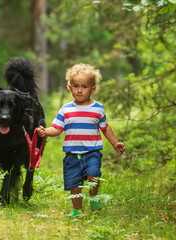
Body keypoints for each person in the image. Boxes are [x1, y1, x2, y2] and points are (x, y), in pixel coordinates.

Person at [37, 63, 125, 217]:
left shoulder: (98, 108)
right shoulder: (66, 109)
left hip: (92, 152)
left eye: (84, 87)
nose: (79, 90)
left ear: (93, 89)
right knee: (74, 184)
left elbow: (105, 128)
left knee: (93, 174)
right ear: (70, 88)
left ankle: (93, 197)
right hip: (72, 155)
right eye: (76, 86)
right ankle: (77, 209)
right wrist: (45, 132)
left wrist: (115, 143)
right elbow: (57, 129)